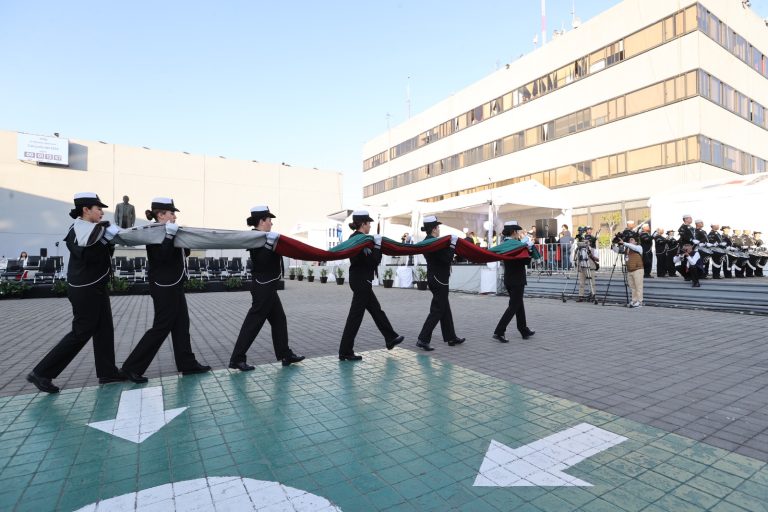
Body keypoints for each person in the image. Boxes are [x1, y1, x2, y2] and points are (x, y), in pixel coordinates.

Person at [26, 193, 124, 393]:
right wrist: (105, 240)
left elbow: (103, 256)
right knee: (82, 331)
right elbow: (89, 256)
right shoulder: (77, 231)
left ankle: (108, 372)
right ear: (86, 210)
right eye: (98, 208)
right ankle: (42, 372)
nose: (101, 212)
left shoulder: (93, 230)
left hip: (96, 286)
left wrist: (108, 240)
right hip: (85, 290)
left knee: (104, 329)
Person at [120, 198, 211, 383]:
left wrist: (182, 240)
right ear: (161, 215)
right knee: (161, 328)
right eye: (171, 213)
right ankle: (131, 368)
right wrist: (169, 237)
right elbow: (162, 256)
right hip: (163, 287)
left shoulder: (170, 230)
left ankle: (187, 364)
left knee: (181, 325)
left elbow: (181, 254)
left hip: (175, 284)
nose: (175, 216)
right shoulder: (152, 232)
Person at [229, 206, 304, 371]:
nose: (271, 223)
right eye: (269, 220)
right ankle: (237, 358)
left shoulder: (264, 236)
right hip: (263, 288)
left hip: (268, 287)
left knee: (279, 320)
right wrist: (270, 244)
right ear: (262, 221)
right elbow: (261, 262)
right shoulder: (255, 237)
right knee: (253, 323)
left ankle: (285, 354)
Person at [338, 210, 404, 361]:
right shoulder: (357, 240)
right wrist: (378, 247)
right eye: (369, 223)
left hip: (362, 281)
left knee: (376, 310)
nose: (370, 226)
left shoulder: (362, 239)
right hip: (361, 281)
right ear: (363, 224)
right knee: (355, 317)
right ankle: (345, 351)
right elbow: (372, 261)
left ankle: (390, 338)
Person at [416, 216, 464, 351]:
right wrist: (453, 245)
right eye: (438, 227)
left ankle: (451, 337)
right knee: (437, 310)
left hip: (436, 278)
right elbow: (446, 258)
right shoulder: (433, 243)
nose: (439, 230)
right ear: (434, 229)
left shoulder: (429, 241)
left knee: (444, 308)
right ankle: (423, 339)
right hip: (439, 279)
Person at [493, 221, 535, 342]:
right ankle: (499, 331)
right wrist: (529, 250)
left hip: (509, 279)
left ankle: (523, 329)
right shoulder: (515, 245)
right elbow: (524, 262)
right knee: (514, 306)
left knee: (518, 305)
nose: (518, 234)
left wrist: (528, 249)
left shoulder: (505, 244)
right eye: (517, 231)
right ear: (513, 232)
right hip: (517, 280)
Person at [614, 234, 644, 307]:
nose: (630, 240)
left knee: (638, 286)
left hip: (638, 270)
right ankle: (634, 301)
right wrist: (613, 245)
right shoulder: (627, 249)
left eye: (632, 239)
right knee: (632, 287)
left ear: (636, 242)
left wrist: (624, 243)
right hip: (630, 270)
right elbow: (617, 251)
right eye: (630, 239)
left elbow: (633, 247)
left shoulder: (639, 247)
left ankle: (640, 302)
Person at [573, 226, 599, 302]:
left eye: (587, 241)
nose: (586, 242)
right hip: (582, 267)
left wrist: (590, 253)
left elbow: (597, 259)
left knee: (592, 283)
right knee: (581, 283)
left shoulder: (594, 249)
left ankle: (593, 295)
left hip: (591, 267)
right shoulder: (581, 249)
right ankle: (580, 296)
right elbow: (576, 257)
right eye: (585, 240)